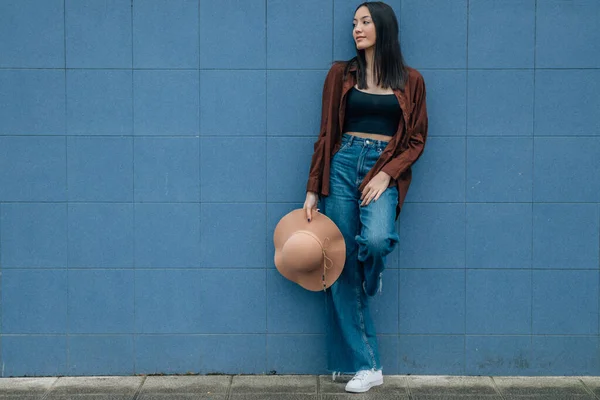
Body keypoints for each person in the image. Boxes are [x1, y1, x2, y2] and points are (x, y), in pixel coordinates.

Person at [303, 1, 428, 393]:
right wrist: (311, 188)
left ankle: (373, 276)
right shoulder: (340, 75)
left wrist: (388, 174)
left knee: (374, 243)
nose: (357, 28)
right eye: (354, 23)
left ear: (383, 27)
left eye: (365, 21)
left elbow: (417, 140)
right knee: (339, 267)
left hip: (381, 166)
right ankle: (366, 365)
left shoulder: (411, 80)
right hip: (341, 165)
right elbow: (326, 132)